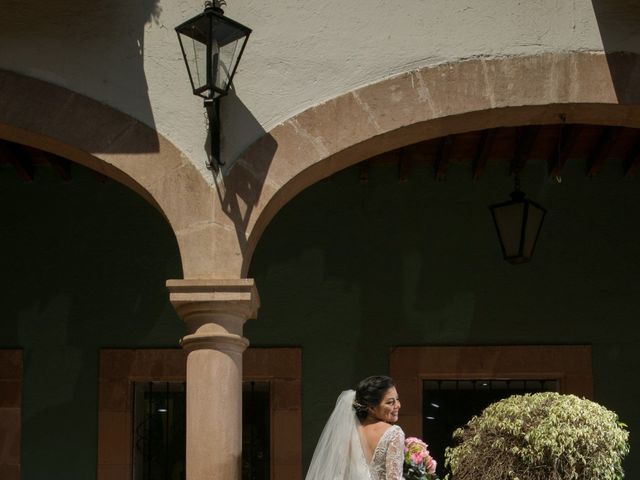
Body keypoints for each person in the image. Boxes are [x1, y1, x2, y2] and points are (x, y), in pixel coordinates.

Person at [305, 375, 405, 480]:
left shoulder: (347, 431)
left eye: (397, 399)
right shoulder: (394, 433)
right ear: (371, 408)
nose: (398, 405)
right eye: (390, 402)